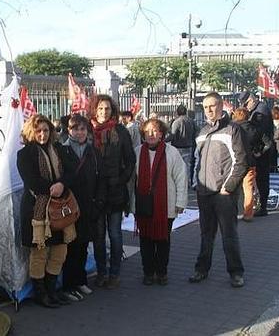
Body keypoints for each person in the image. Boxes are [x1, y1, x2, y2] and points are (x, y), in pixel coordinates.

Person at [189, 92, 248, 288]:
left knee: (229, 235)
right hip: (204, 192)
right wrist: (196, 184)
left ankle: (236, 272)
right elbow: (196, 160)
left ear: (221, 106)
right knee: (206, 234)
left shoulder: (233, 130)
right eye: (205, 107)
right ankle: (201, 269)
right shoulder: (202, 131)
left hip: (224, 194)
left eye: (212, 106)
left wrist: (228, 187)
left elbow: (241, 162)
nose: (209, 110)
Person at [17, 114, 75, 308]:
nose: (42, 134)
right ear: (31, 132)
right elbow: (31, 181)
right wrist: (54, 187)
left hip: (60, 210)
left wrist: (62, 184)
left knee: (60, 251)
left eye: (46, 130)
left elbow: (71, 172)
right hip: (37, 211)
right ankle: (40, 294)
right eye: (38, 130)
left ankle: (52, 291)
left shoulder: (58, 149)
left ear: (51, 132)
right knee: (40, 254)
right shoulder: (24, 154)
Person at [132, 118, 187, 286]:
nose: (151, 134)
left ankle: (162, 272)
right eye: (147, 131)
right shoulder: (137, 152)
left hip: (166, 206)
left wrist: (180, 202)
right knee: (146, 240)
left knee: (163, 240)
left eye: (155, 131)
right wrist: (131, 205)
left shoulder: (172, 152)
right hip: (143, 205)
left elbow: (181, 178)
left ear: (161, 133)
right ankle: (148, 272)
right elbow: (132, 180)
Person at [89, 94, 135, 289]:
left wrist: (121, 180)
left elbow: (130, 160)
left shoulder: (120, 131)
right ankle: (101, 272)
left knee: (115, 234)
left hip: (115, 191)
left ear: (112, 110)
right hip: (95, 192)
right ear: (94, 110)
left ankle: (114, 273)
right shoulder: (89, 130)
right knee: (98, 237)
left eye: (107, 109)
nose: (103, 112)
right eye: (100, 108)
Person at [60, 114, 104, 301]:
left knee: (84, 245)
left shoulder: (93, 151)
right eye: (75, 129)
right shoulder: (62, 151)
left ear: (87, 130)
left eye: (82, 129)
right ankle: (69, 285)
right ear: (69, 130)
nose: (79, 132)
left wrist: (98, 202)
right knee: (70, 247)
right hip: (69, 206)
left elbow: (101, 178)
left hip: (89, 205)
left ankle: (80, 281)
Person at [232, 108, 272, 221]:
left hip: (235, 162)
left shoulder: (232, 128)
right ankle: (248, 214)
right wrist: (259, 152)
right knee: (248, 188)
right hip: (250, 161)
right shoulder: (256, 129)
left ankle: (231, 214)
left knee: (232, 189)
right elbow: (268, 143)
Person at [239, 91, 274, 217]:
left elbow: (262, 134)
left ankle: (263, 206)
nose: (246, 106)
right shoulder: (257, 110)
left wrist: (259, 150)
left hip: (262, 151)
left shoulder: (261, 110)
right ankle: (258, 204)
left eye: (246, 103)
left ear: (252, 99)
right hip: (257, 150)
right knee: (256, 180)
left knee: (262, 179)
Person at [165, 105, 196, 185]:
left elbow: (172, 135)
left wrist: (163, 141)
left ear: (177, 112)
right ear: (186, 112)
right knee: (187, 166)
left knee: (177, 166)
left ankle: (179, 182)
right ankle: (188, 182)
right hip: (189, 147)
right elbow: (196, 132)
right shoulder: (191, 121)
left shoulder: (177, 122)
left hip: (178, 147)